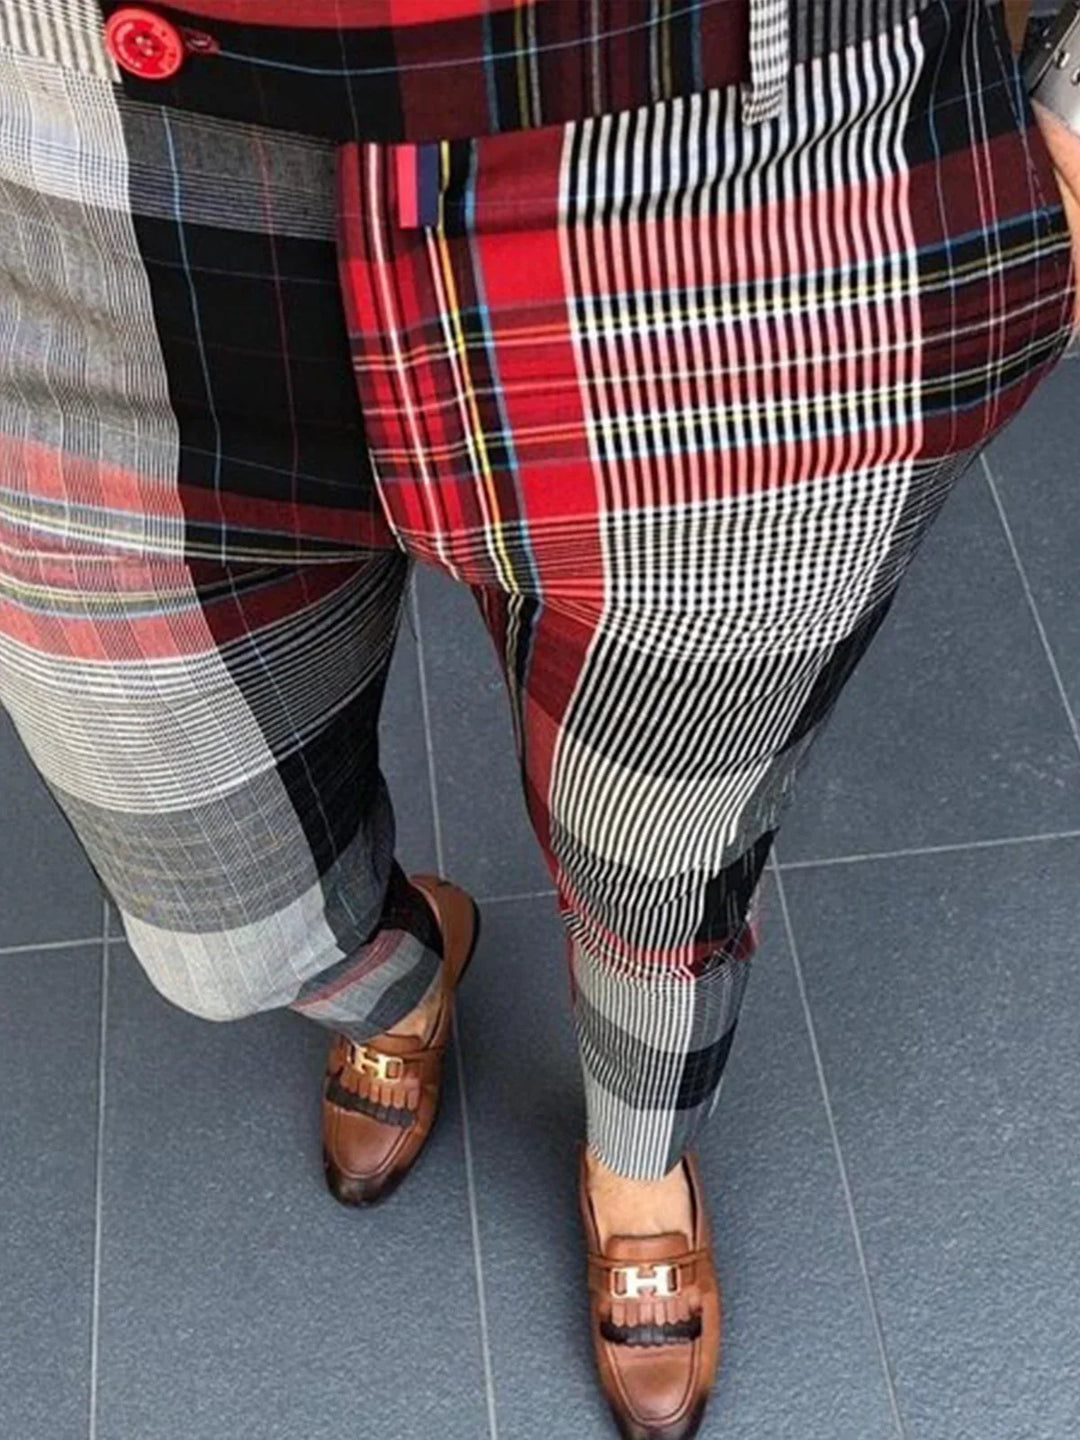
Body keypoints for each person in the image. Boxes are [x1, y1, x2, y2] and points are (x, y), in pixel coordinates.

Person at [0, 1, 1075, 1436]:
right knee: (218, 921)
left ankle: (638, 1160)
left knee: (666, 859)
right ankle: (402, 974)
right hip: (81, 160)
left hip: (748, 181)